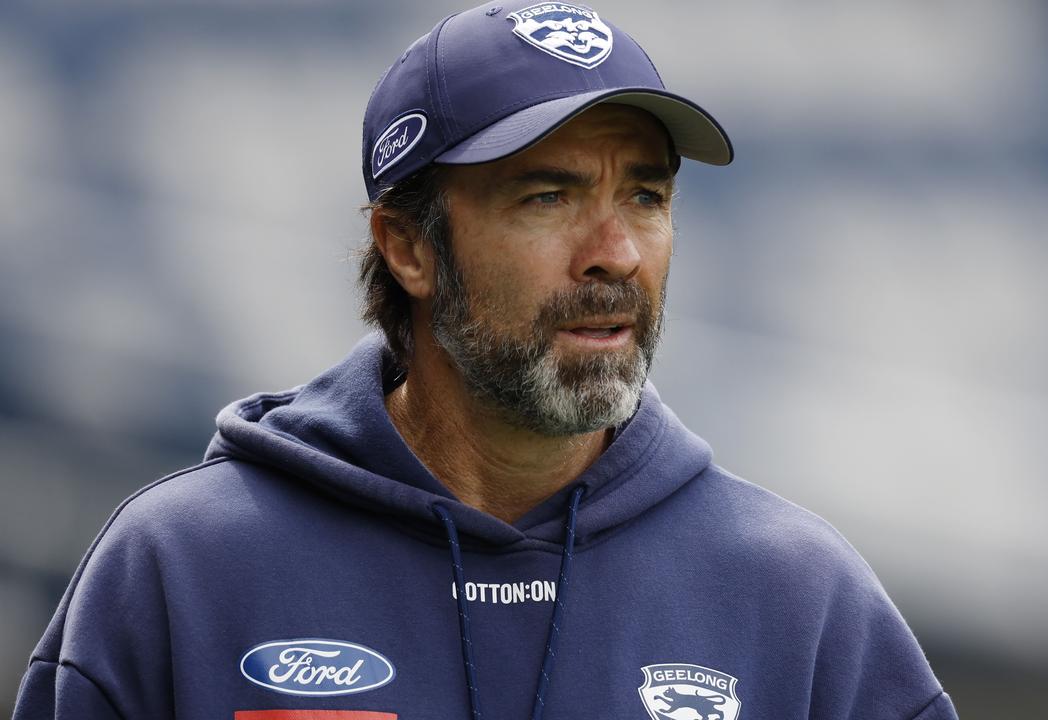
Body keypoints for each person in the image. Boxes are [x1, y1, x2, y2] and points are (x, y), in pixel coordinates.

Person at [13, 3, 957, 719]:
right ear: (409, 247)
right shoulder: (181, 567)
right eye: (547, 196)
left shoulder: (801, 600)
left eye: (646, 196)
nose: (615, 252)